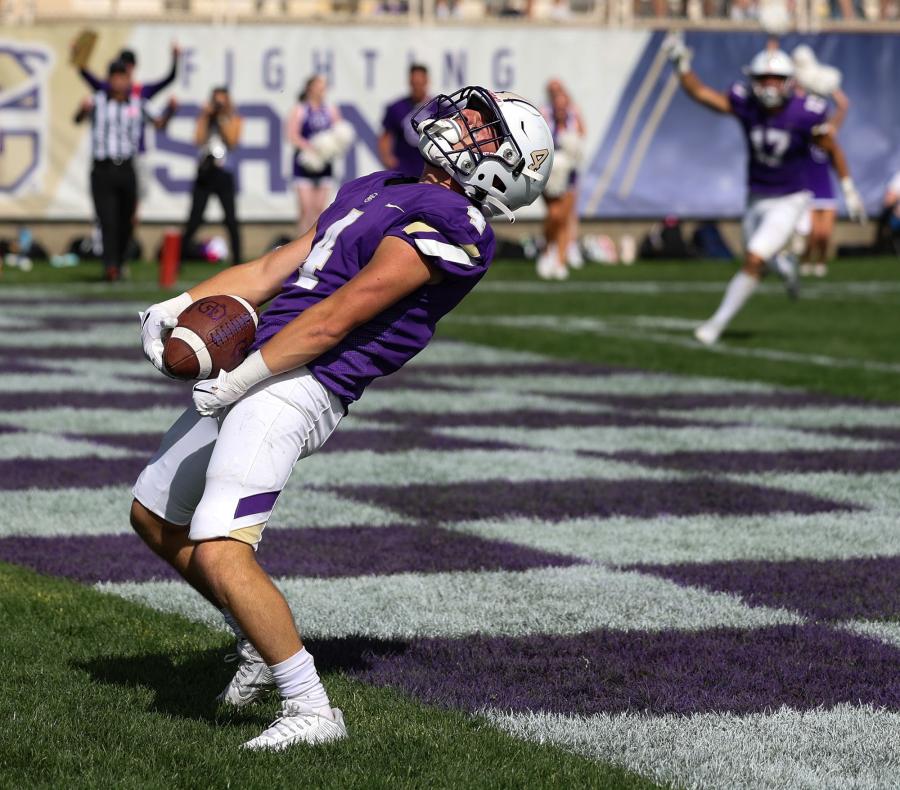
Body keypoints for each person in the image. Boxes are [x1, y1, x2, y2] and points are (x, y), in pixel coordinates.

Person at [132, 86, 553, 751]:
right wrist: (182, 301)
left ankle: (311, 707)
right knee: (153, 518)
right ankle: (257, 640)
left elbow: (338, 317)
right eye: (471, 111)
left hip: (299, 382)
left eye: (482, 124)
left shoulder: (459, 222)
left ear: (505, 165)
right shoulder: (380, 183)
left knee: (220, 544)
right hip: (264, 361)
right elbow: (277, 265)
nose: (462, 121)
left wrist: (240, 378)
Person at [663, 35, 865, 346]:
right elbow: (703, 94)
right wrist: (682, 66)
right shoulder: (746, 103)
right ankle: (785, 266)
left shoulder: (806, 112)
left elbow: (832, 148)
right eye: (763, 78)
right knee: (756, 257)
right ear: (753, 79)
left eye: (776, 78)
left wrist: (850, 190)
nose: (769, 85)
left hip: (791, 198)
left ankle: (715, 325)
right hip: (756, 197)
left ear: (789, 81)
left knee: (754, 258)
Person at [74, 60, 175, 281]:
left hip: (127, 168)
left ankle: (120, 262)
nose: (119, 82)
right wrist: (82, 110)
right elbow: (78, 118)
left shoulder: (138, 103)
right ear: (109, 80)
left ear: (129, 79)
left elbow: (159, 124)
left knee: (126, 219)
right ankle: (110, 266)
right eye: (115, 77)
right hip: (102, 169)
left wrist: (171, 111)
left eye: (123, 77)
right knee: (107, 219)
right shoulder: (97, 101)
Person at [790, 45, 851, 278]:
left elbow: (843, 106)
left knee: (825, 234)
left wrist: (832, 89)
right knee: (812, 233)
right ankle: (805, 262)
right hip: (808, 187)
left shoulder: (827, 132)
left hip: (826, 186)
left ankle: (821, 263)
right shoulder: (803, 129)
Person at [181, 86, 243, 265]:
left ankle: (237, 260)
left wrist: (222, 117)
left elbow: (232, 141)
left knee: (230, 219)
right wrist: (205, 116)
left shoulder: (234, 118)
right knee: (195, 218)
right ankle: (180, 258)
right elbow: (197, 139)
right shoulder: (206, 118)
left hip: (224, 173)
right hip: (205, 172)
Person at [537, 79, 585, 280]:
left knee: (564, 218)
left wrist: (571, 148)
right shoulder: (544, 115)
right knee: (554, 215)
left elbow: (582, 136)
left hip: (569, 174)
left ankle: (560, 261)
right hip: (549, 172)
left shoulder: (575, 115)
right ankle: (547, 250)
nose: (561, 108)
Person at [286, 75, 343, 236]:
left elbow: (339, 133)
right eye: (319, 85)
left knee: (320, 209)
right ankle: (300, 248)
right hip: (305, 165)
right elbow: (292, 134)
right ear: (310, 88)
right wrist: (312, 148)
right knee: (306, 209)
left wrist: (329, 148)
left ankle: (316, 246)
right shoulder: (300, 109)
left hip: (324, 165)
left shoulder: (330, 109)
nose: (322, 89)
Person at [378, 63, 430, 178]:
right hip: (404, 170)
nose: (417, 87)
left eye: (420, 83)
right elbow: (386, 135)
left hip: (431, 170)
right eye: (414, 83)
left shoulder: (438, 107)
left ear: (427, 82)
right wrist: (388, 159)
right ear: (409, 82)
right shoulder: (397, 107)